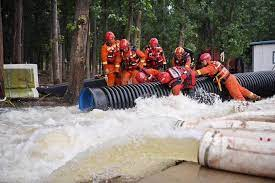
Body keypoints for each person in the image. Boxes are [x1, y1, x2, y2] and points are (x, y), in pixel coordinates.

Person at [196, 53, 261, 101]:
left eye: (202, 61)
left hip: (228, 81)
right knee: (241, 89)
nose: (202, 62)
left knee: (237, 95)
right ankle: (254, 97)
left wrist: (190, 73)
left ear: (206, 60)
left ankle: (245, 108)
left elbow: (201, 71)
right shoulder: (214, 63)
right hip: (231, 77)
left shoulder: (211, 67)